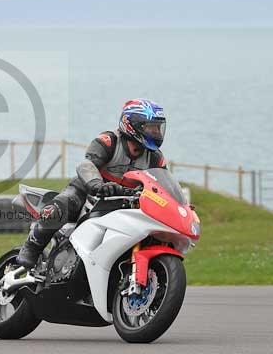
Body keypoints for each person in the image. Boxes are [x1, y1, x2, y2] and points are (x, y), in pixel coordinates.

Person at [16, 99, 168, 269]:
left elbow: (163, 184)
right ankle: (32, 246)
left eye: (158, 128)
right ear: (132, 125)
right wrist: (97, 184)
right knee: (62, 206)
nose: (156, 132)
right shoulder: (109, 141)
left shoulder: (155, 158)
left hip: (125, 202)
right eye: (151, 127)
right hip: (88, 191)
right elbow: (87, 165)